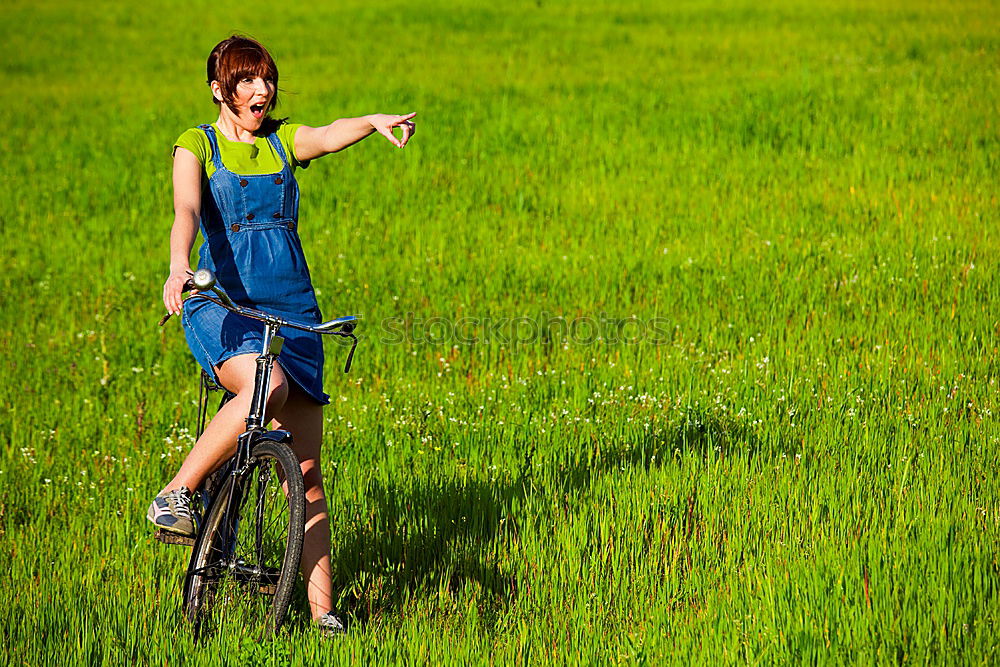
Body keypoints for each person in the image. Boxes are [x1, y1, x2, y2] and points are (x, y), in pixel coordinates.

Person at [147, 34, 415, 635]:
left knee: (309, 472)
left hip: (293, 308)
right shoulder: (197, 144)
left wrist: (371, 122)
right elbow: (185, 210)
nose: (261, 90)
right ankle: (177, 494)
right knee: (262, 387)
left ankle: (325, 615)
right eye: (247, 81)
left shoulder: (279, 143)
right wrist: (177, 266)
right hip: (220, 302)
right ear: (221, 90)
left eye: (266, 79)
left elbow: (323, 134)